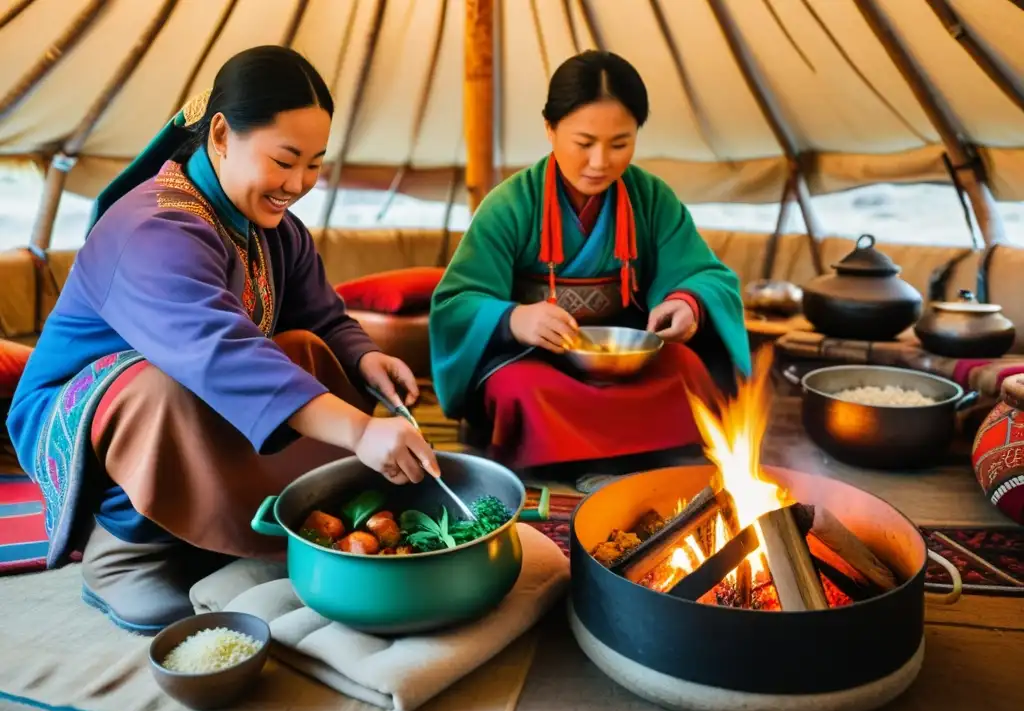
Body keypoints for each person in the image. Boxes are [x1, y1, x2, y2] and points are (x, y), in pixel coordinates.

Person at [6, 46, 438, 633]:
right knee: (163, 387)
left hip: (203, 392)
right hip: (85, 415)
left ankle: (230, 525)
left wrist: (366, 359)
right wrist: (359, 431)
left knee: (310, 351)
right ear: (220, 134)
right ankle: (123, 553)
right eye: (285, 160)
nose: (299, 183)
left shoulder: (275, 229)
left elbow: (324, 316)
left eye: (314, 164)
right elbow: (220, 351)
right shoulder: (149, 226)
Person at [429, 50, 751, 469]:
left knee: (688, 370)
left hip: (630, 358)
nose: (600, 162)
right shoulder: (508, 205)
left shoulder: (651, 198)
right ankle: (601, 458)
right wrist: (514, 319)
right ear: (550, 128)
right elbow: (456, 303)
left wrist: (686, 302)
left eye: (620, 143)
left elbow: (705, 274)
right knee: (518, 391)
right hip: (539, 362)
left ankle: (605, 458)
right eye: (584, 143)